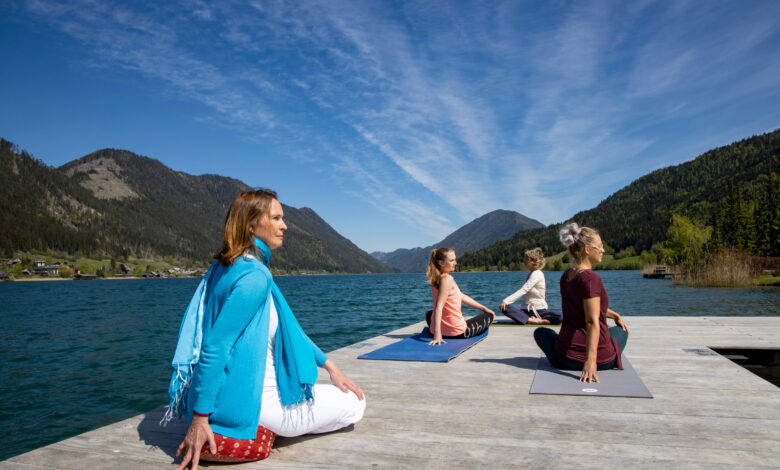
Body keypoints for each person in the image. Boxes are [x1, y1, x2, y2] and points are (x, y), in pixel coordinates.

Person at [167, 189, 366, 470]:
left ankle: (256, 422)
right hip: (259, 404)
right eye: (276, 218)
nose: (284, 226)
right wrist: (200, 420)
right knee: (356, 403)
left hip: (230, 398)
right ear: (251, 225)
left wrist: (330, 366)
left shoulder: (222, 268)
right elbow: (215, 346)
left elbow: (290, 331)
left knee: (329, 392)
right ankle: (265, 426)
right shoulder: (255, 276)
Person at [533, 223, 630, 383]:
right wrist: (590, 361)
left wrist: (614, 315)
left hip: (562, 357)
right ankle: (593, 357)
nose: (603, 250)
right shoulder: (591, 279)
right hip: (600, 360)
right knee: (621, 332)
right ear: (587, 249)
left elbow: (584, 307)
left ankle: (574, 350)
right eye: (600, 246)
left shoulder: (566, 277)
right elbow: (591, 321)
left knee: (540, 332)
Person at [425, 248, 495, 346]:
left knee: (429, 314)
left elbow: (461, 296)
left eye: (455, 259)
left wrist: (483, 308)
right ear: (441, 263)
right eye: (451, 260)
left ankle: (441, 329)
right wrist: (437, 336)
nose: (455, 263)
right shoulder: (447, 279)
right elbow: (439, 307)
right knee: (489, 315)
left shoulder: (436, 278)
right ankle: (446, 330)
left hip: (433, 331)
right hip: (457, 333)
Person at [498, 248, 562, 325]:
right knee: (505, 308)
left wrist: (506, 301)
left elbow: (524, 290)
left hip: (539, 310)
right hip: (526, 311)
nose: (524, 261)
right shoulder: (530, 274)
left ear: (534, 261)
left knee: (560, 316)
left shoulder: (537, 273)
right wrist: (505, 303)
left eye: (527, 259)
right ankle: (532, 320)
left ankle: (528, 319)